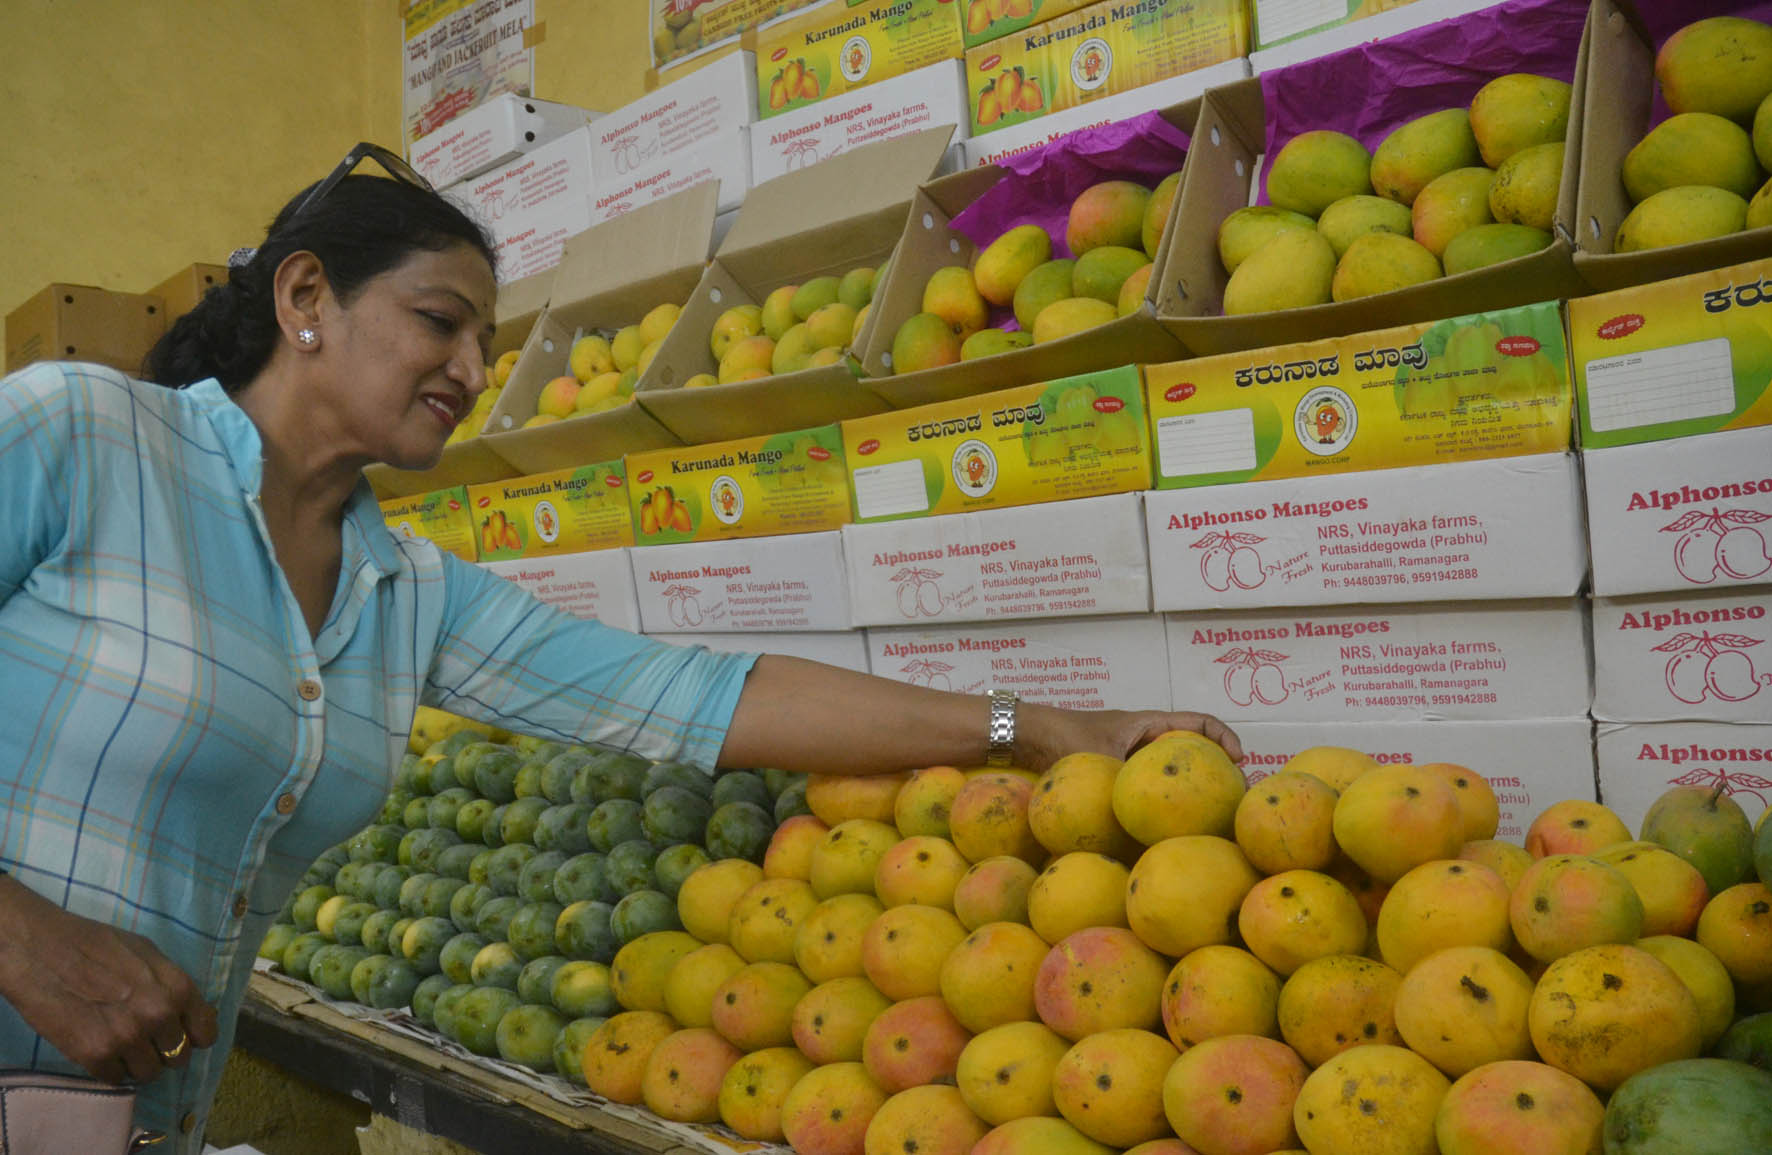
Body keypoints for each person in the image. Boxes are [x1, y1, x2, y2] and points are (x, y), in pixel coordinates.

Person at [0, 142, 1241, 1147]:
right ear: (305, 297)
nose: (475, 369)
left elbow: (692, 696)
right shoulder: (87, 437)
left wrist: (1039, 729)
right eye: (442, 323)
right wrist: (26, 939)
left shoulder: (404, 590)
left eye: (488, 341)